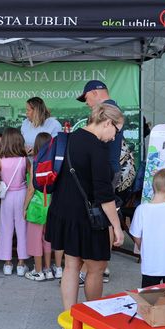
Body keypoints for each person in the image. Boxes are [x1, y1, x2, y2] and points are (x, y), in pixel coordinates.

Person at [45, 103, 125, 310]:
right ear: (107, 122)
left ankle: (69, 316)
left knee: (71, 266)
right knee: (96, 268)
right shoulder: (97, 147)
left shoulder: (69, 138)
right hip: (89, 219)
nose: (115, 137)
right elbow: (104, 194)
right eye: (116, 130)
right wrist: (116, 226)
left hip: (64, 212)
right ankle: (93, 314)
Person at [76, 80, 122, 283]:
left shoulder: (109, 111)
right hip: (108, 168)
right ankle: (100, 265)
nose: (86, 103)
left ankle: (97, 265)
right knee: (104, 214)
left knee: (104, 214)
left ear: (94, 93)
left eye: (86, 98)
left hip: (105, 168)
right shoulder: (113, 109)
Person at [0, 127, 30, 276]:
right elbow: (30, 178)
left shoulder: (0, 159)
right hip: (21, 195)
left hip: (6, 196)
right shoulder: (24, 159)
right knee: (22, 229)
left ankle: (7, 263)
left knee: (5, 228)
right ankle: (21, 263)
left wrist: (3, 185)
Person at [23, 132, 55, 281]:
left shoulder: (35, 164)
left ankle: (38, 270)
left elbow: (30, 189)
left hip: (36, 206)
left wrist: (24, 208)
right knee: (47, 240)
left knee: (35, 240)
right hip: (50, 205)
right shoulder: (55, 164)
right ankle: (48, 269)